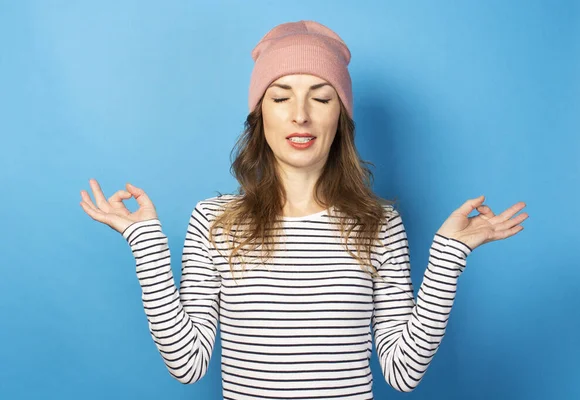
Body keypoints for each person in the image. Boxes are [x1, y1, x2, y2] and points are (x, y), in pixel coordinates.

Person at [80, 20, 528, 399]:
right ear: (260, 117)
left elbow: (402, 371)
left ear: (341, 117)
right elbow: (188, 363)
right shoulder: (214, 220)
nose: (300, 115)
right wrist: (146, 243)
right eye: (280, 97)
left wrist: (449, 255)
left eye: (320, 96)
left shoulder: (379, 223)